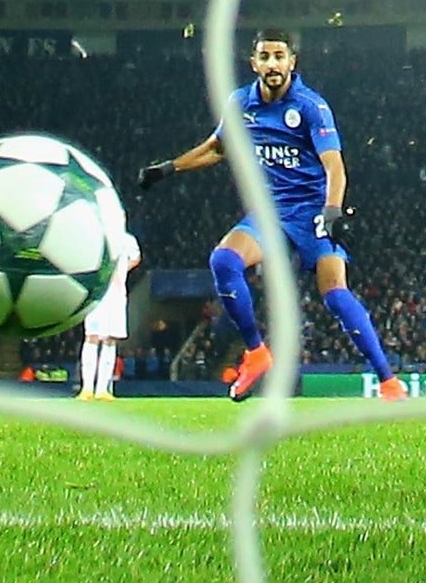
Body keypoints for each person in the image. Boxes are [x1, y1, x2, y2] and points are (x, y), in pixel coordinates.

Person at [139, 27, 405, 402]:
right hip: (269, 212)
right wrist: (169, 168)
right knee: (224, 260)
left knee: (335, 293)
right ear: (254, 63)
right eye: (265, 56)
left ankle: (388, 381)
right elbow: (218, 148)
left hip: (313, 212)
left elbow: (335, 167)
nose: (273, 63)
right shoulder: (240, 103)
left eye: (280, 56)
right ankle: (256, 353)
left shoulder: (311, 106)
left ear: (292, 62)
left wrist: (331, 212)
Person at [78, 227, 140, 401]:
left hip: (117, 295)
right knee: (92, 336)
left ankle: (103, 389)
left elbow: (136, 258)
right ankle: (87, 388)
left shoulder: (127, 239)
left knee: (111, 339)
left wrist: (121, 273)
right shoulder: (96, 237)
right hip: (97, 293)